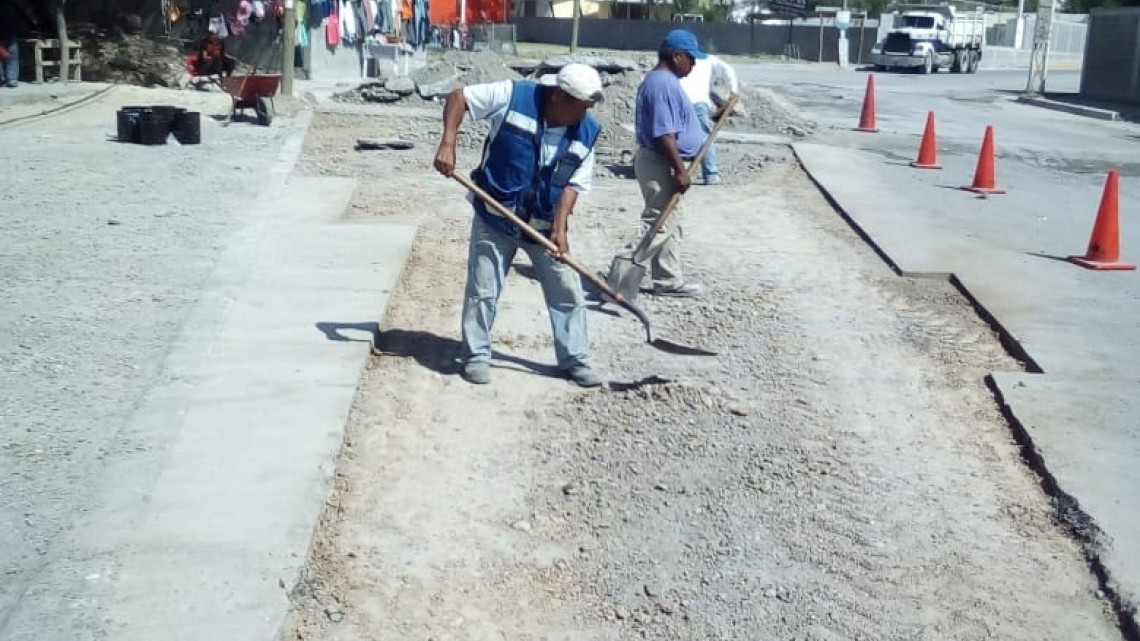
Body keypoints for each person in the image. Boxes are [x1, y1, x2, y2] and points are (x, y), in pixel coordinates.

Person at [432, 63, 606, 388]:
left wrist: (560, 226)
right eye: (580, 107)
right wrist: (448, 142)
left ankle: (575, 360)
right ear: (558, 97)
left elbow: (574, 184)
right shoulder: (514, 96)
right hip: (496, 215)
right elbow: (459, 97)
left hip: (542, 224)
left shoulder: (587, 131)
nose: (584, 114)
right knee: (484, 289)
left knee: (567, 291)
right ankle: (476, 355)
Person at [630, 29, 707, 298]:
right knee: (659, 221)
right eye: (690, 58)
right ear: (676, 56)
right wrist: (680, 168)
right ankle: (621, 275)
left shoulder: (663, 81)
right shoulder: (663, 84)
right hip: (660, 161)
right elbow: (665, 133)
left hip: (661, 160)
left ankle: (668, 280)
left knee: (672, 220)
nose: (693, 64)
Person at [679, 53, 739, 186]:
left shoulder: (678, 58)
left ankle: (675, 170)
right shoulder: (710, 60)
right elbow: (729, 70)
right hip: (697, 103)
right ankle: (711, 174)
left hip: (677, 101)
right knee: (704, 136)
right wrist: (733, 91)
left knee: (675, 135)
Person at [0, 0, 19, 88]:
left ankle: (2, 78)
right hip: (11, 38)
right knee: (12, 60)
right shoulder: (11, 13)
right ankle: (12, 79)